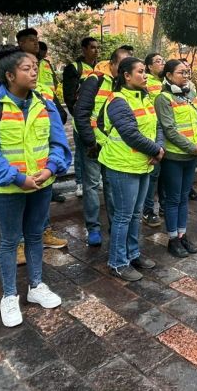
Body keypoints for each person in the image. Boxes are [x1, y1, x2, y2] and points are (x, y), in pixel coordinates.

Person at [0, 45, 71, 327]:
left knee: (35, 235)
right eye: (27, 68)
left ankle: (36, 286)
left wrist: (50, 168)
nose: (35, 71)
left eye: (35, 66)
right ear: (10, 75)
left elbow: (58, 143)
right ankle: (9, 295)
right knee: (10, 240)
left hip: (41, 184)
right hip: (7, 190)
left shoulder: (45, 103)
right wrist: (17, 178)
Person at [99, 57, 164, 281]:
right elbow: (130, 133)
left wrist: (159, 148)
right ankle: (117, 262)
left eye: (145, 71)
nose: (145, 75)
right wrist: (156, 150)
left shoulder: (145, 97)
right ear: (126, 76)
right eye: (140, 71)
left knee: (135, 214)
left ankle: (133, 253)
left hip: (142, 164)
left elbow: (156, 127)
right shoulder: (117, 100)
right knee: (123, 216)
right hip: (122, 165)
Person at [73, 47, 131, 246]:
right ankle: (93, 229)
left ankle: (115, 225)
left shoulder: (124, 83)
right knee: (91, 185)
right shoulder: (95, 80)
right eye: (121, 65)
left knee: (112, 185)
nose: (125, 69)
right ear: (112, 63)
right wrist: (91, 142)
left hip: (112, 143)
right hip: (92, 142)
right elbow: (80, 113)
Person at [156, 60, 197, 257]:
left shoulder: (192, 94)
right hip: (174, 157)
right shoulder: (163, 98)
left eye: (187, 72)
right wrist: (192, 147)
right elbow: (169, 130)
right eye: (181, 72)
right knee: (173, 198)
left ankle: (182, 234)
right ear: (169, 76)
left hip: (192, 154)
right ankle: (172, 239)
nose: (186, 75)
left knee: (184, 198)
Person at [61, 36, 100, 198]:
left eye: (98, 47)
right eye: (92, 47)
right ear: (84, 49)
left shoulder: (100, 67)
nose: (96, 50)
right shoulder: (74, 68)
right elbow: (69, 95)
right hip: (82, 117)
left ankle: (95, 180)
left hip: (98, 118)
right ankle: (79, 183)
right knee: (81, 152)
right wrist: (77, 114)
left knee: (96, 149)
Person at [141, 53, 166, 225]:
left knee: (163, 174)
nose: (162, 64)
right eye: (158, 61)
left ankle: (163, 206)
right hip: (153, 132)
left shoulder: (164, 83)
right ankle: (147, 210)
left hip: (166, 132)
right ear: (149, 66)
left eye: (163, 61)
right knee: (153, 174)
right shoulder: (146, 83)